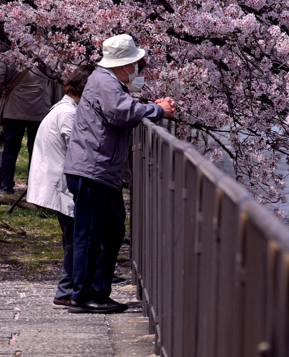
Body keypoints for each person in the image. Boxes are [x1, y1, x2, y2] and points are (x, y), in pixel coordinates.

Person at [64, 35, 175, 314]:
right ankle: (82, 294)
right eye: (136, 64)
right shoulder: (104, 81)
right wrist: (157, 110)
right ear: (124, 65)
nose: (138, 70)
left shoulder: (107, 82)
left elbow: (120, 107)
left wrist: (150, 107)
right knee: (90, 235)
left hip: (101, 170)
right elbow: (120, 112)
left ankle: (97, 291)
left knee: (112, 230)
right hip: (92, 169)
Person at [26, 64, 95, 308]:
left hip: (57, 182)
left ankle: (71, 285)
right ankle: (65, 290)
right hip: (61, 184)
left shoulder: (64, 108)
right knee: (75, 238)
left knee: (72, 237)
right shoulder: (68, 113)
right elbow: (77, 147)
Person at [0, 62, 61, 194]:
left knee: (10, 149)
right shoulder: (46, 57)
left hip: (14, 109)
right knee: (36, 150)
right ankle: (34, 185)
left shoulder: (9, 57)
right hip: (39, 109)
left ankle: (6, 184)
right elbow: (56, 82)